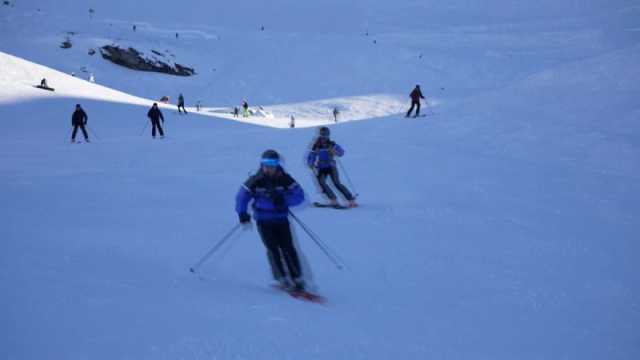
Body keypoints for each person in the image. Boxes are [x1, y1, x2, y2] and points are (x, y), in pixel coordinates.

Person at [235, 150, 307, 291]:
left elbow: (300, 195)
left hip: (281, 219)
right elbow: (241, 197)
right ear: (261, 164)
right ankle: (281, 278)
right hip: (263, 220)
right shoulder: (255, 180)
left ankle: (297, 278)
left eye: (272, 164)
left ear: (277, 164)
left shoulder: (285, 179)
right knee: (273, 249)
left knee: (288, 247)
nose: (269, 167)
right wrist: (242, 213)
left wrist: (284, 200)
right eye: (266, 164)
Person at [307, 127, 357, 207]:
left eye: (326, 135)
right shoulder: (316, 145)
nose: (324, 137)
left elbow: (341, 153)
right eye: (323, 134)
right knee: (322, 183)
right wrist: (310, 163)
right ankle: (333, 200)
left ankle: (351, 200)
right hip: (321, 167)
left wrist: (335, 152)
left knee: (336, 183)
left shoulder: (331, 144)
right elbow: (311, 155)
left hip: (331, 166)